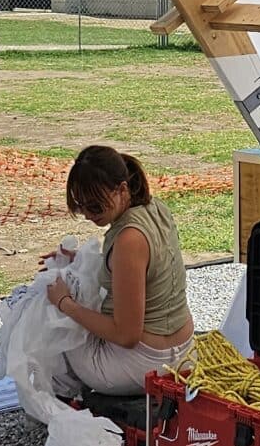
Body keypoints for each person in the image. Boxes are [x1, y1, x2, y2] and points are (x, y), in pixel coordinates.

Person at [46, 144, 193, 396]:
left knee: (48, 315)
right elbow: (135, 268)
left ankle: (61, 402)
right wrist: (79, 261)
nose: (88, 215)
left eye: (95, 206)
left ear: (122, 189)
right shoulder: (156, 208)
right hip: (184, 351)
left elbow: (126, 335)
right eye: (80, 207)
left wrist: (64, 303)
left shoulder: (128, 239)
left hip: (146, 365)